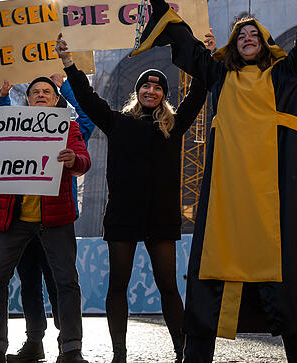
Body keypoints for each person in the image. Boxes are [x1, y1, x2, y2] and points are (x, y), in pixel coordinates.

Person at [130, 0, 297, 362]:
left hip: (277, 200)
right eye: (241, 35)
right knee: (211, 282)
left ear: (265, 41)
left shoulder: (287, 73)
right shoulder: (219, 76)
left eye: (254, 33)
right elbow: (186, 44)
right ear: (233, 44)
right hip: (226, 201)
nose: (247, 38)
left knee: (287, 285)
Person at [56, 33, 210, 362]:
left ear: (163, 94)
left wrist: (205, 56)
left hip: (161, 215)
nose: (151, 90)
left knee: (168, 286)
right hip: (123, 214)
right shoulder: (117, 121)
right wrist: (70, 64)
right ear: (137, 92)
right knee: (118, 286)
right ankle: (119, 354)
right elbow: (86, 97)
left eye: (157, 87)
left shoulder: (174, 124)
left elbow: (198, 92)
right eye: (146, 86)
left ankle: (182, 351)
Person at [0, 76, 91, 363]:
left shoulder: (70, 127)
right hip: (13, 219)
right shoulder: (11, 127)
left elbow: (84, 159)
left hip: (56, 219)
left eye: (46, 92)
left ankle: (71, 349)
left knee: (66, 282)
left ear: (55, 99)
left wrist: (74, 161)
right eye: (35, 92)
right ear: (27, 99)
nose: (40, 95)